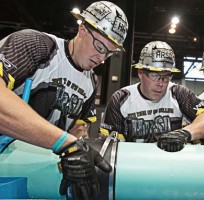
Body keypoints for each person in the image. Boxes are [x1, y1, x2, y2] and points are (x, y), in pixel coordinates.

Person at [0, 1, 128, 199]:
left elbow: (77, 129)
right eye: (100, 46)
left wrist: (78, 147)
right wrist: (65, 143)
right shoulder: (36, 45)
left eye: (110, 52)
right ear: (83, 29)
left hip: (35, 169)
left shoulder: (91, 82)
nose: (102, 57)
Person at [100, 41, 204, 152]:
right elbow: (111, 148)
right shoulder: (121, 99)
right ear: (140, 73)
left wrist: (185, 133)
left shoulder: (178, 93)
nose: (161, 83)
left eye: (166, 77)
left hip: (170, 166)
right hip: (133, 165)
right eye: (154, 75)